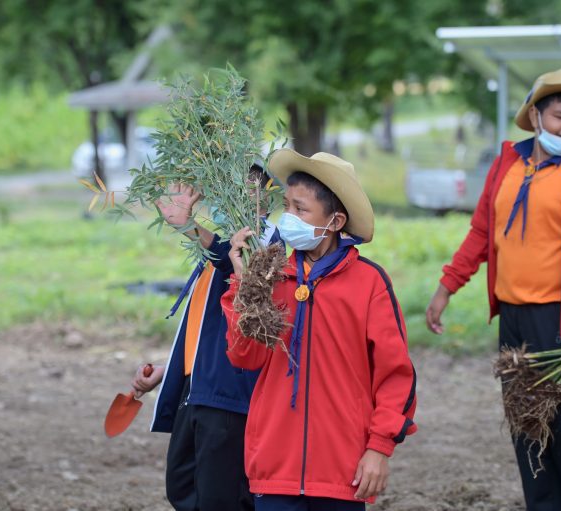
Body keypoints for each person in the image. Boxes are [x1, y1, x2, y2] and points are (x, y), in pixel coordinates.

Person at [425, 68, 561, 510]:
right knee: (529, 427)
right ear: (535, 116)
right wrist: (447, 286)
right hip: (515, 321)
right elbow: (482, 231)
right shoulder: (508, 163)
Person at [223, 149, 417, 510]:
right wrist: (243, 284)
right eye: (287, 206)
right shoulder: (269, 274)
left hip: (342, 472)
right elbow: (244, 357)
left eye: (301, 209)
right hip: (274, 467)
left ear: (336, 220)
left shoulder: (369, 283)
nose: (288, 218)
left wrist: (379, 447)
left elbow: (396, 374)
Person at [131, 164, 279, 511]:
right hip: (197, 389)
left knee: (220, 499)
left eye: (244, 194)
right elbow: (209, 323)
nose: (232, 203)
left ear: (265, 201)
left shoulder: (267, 249)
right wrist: (171, 368)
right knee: (182, 488)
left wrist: (189, 227)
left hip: (230, 396)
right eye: (226, 194)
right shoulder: (230, 246)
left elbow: (231, 260)